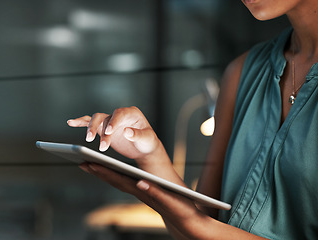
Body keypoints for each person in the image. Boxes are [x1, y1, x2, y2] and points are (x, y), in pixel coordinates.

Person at [67, 0, 318, 239]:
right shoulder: (241, 73)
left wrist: (197, 224)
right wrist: (149, 156)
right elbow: (195, 230)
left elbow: (200, 227)